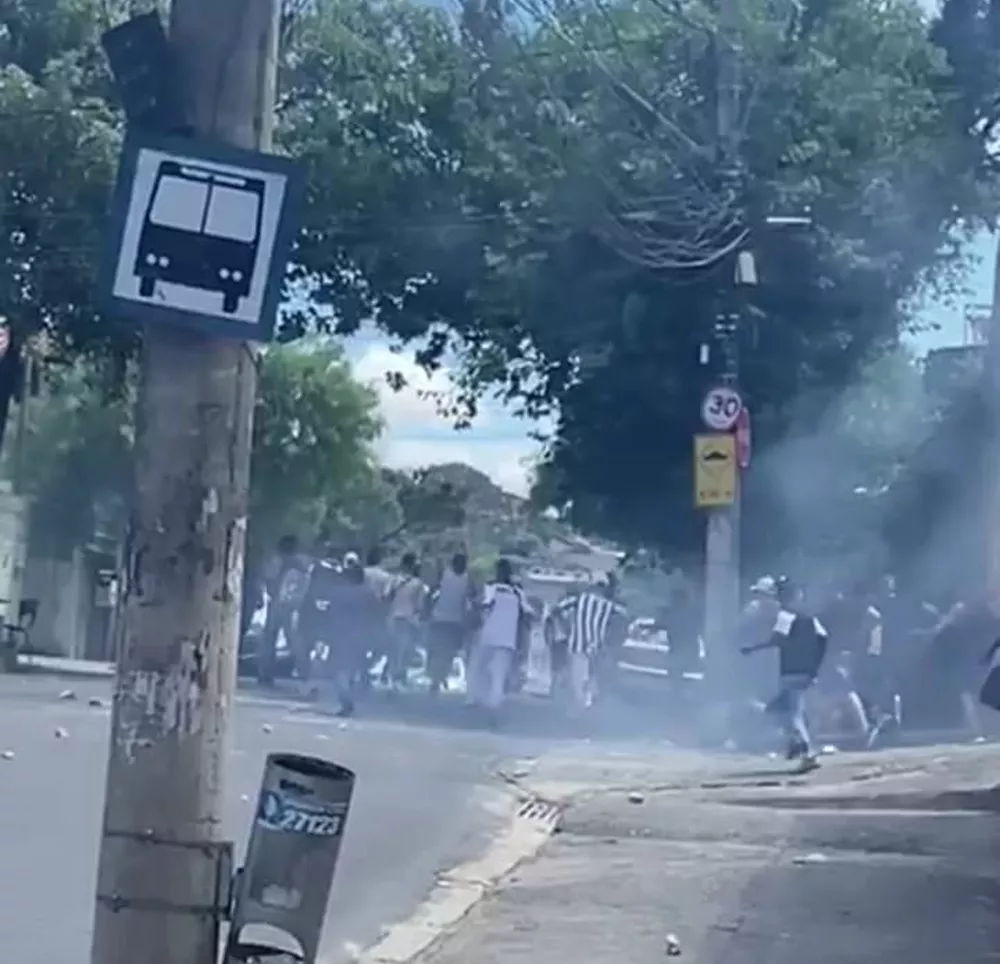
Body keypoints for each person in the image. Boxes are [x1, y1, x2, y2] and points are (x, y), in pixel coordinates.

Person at [741, 577, 829, 772]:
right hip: (804, 671)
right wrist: (814, 667)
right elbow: (823, 638)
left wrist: (753, 648)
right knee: (777, 710)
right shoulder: (808, 616)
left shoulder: (785, 615)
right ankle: (795, 745)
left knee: (791, 714)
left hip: (791, 671)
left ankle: (808, 752)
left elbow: (778, 638)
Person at [466, 558, 531, 724]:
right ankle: (493, 704)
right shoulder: (518, 592)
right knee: (498, 674)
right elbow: (528, 615)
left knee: (477, 667)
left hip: (488, 636)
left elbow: (482, 605)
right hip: (507, 639)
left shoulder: (491, 588)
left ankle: (474, 698)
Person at [550, 574, 626, 712]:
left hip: (577, 645)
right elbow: (622, 619)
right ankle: (588, 705)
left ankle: (583, 708)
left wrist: (565, 627)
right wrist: (611, 639)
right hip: (597, 647)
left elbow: (556, 610)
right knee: (592, 678)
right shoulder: (610, 606)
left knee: (579, 680)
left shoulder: (578, 600)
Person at [258, 535, 310, 685]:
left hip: (276, 603)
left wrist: (271, 591)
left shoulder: (277, 561)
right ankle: (303, 674)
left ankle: (265, 674)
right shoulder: (300, 565)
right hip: (292, 606)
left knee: (269, 638)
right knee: (294, 640)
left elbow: (268, 579)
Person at [427, 552, 475, 695]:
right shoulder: (454, 576)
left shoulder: (461, 577)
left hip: (449, 620)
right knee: (440, 651)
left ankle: (438, 678)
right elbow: (432, 591)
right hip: (445, 620)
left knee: (445, 653)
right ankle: (436, 679)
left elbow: (431, 592)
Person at [384, 552, 428, 689]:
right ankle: (398, 678)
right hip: (409, 621)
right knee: (405, 650)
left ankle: (391, 678)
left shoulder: (393, 580)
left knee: (394, 649)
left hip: (392, 619)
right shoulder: (418, 583)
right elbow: (420, 606)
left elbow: (385, 597)